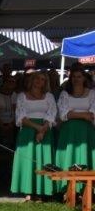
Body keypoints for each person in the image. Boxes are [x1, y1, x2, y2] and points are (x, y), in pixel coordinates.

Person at [10, 72, 58, 200]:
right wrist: (38, 128)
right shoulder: (22, 96)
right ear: (32, 80)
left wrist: (43, 130)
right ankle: (28, 191)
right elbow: (21, 116)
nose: (39, 81)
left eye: (42, 79)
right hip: (27, 131)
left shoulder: (49, 96)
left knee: (43, 160)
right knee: (28, 160)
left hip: (45, 130)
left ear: (45, 83)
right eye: (37, 78)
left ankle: (43, 190)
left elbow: (52, 113)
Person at [54, 66, 95, 189]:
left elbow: (92, 114)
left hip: (86, 132)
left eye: (79, 77)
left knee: (85, 156)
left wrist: (73, 114)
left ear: (84, 78)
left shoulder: (92, 93)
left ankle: (86, 189)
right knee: (69, 156)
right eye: (74, 77)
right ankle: (66, 188)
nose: (76, 79)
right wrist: (83, 115)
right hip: (69, 132)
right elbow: (63, 114)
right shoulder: (64, 94)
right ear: (70, 78)